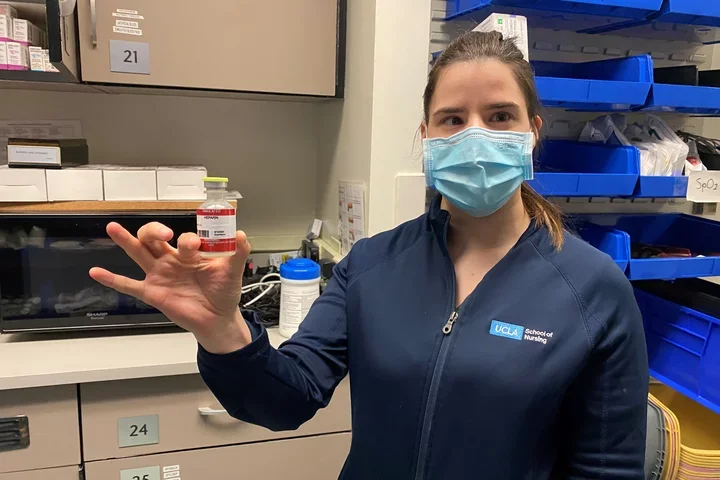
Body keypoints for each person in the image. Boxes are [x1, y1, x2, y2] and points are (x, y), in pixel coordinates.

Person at [91, 31, 649, 479]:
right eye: (454, 119)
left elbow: (605, 469)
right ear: (427, 136)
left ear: (532, 133)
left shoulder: (592, 289)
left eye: (500, 116)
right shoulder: (372, 265)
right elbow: (287, 400)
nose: (475, 135)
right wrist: (224, 331)